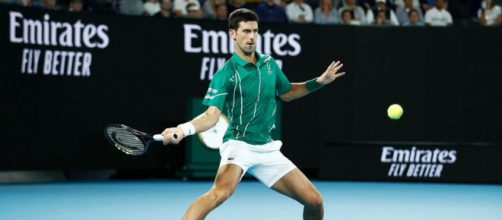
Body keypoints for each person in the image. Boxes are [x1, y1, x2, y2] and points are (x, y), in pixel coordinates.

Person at [160, 8, 346, 220]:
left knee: (315, 201)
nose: (251, 37)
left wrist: (318, 83)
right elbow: (211, 115)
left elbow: (287, 93)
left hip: (267, 147)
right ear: (233, 34)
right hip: (239, 145)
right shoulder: (226, 73)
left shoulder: (268, 63)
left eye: (255, 31)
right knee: (220, 193)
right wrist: (183, 129)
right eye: (246, 31)